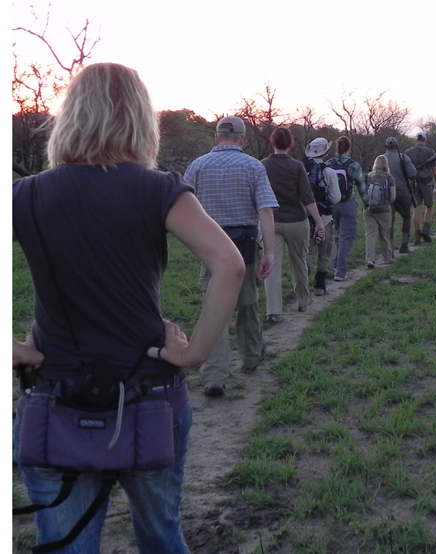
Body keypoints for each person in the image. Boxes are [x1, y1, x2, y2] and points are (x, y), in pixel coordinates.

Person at [11, 62, 244, 554]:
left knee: (66, 546)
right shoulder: (158, 189)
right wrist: (196, 353)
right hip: (149, 396)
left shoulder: (26, 195)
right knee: (161, 535)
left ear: (69, 116)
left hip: (57, 397)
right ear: (141, 119)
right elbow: (230, 265)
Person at [184, 116, 278, 397]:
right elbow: (265, 210)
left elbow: (183, 208)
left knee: (215, 310)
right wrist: (270, 252)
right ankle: (251, 356)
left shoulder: (197, 166)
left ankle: (214, 375)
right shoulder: (253, 167)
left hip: (210, 246)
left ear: (216, 137)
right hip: (245, 245)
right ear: (243, 139)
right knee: (247, 303)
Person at [261, 127, 325, 321]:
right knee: (299, 261)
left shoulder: (262, 165)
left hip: (271, 221)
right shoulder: (297, 166)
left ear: (272, 142)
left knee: (272, 264)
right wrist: (319, 221)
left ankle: (273, 309)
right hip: (297, 220)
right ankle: (303, 301)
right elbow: (307, 196)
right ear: (291, 143)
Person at [304, 137, 341, 295]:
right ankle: (320, 284)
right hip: (324, 217)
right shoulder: (329, 172)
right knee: (324, 250)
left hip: (305, 217)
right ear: (325, 153)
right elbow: (335, 197)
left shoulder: (302, 169)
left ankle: (303, 279)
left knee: (305, 250)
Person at [327, 136, 366, 281]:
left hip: (332, 204)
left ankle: (335, 264)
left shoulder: (329, 163)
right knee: (345, 238)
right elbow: (361, 186)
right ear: (349, 149)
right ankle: (340, 272)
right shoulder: (353, 165)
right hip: (348, 204)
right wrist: (367, 203)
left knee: (337, 235)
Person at [404, 132, 436, 244]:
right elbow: (435, 170)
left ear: (416, 140)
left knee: (416, 209)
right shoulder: (430, 152)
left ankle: (417, 237)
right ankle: (426, 231)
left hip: (413, 183)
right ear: (425, 140)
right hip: (426, 183)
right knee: (430, 207)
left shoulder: (408, 152)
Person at [383, 136, 417, 254]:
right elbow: (413, 173)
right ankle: (404, 245)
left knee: (389, 220)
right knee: (406, 217)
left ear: (386, 146)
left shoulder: (381, 159)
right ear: (397, 146)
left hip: (386, 193)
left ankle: (389, 249)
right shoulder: (403, 157)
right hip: (402, 191)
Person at [364, 155, 396, 268]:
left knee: (370, 234)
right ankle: (387, 258)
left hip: (369, 210)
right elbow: (393, 197)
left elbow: (365, 192)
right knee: (384, 234)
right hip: (384, 210)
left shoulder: (369, 176)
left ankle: (370, 259)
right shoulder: (389, 178)